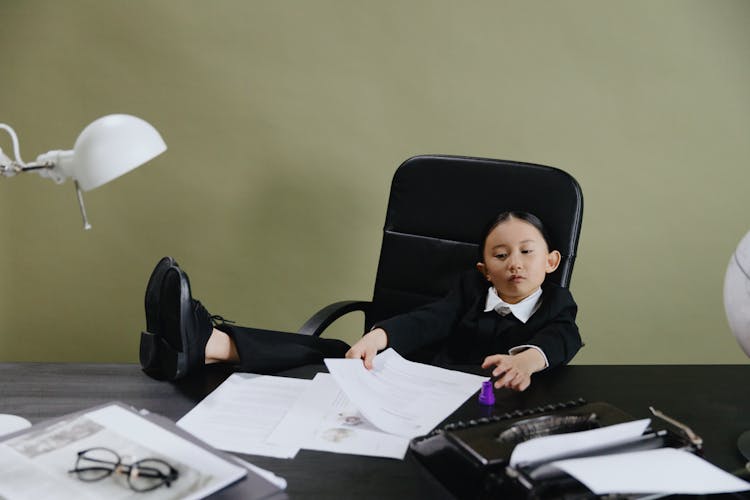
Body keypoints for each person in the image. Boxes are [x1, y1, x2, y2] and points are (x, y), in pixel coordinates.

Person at [139, 211, 582, 391]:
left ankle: (184, 347)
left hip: (480, 403)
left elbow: (565, 336)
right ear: (485, 268)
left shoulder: (556, 304)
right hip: (415, 383)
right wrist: (381, 335)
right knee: (335, 354)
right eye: (501, 255)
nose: (515, 264)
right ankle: (207, 342)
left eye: (528, 252)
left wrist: (527, 361)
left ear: (551, 261)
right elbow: (431, 319)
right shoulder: (471, 290)